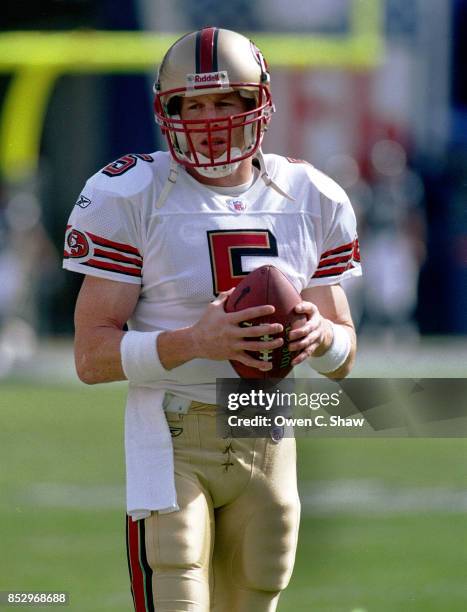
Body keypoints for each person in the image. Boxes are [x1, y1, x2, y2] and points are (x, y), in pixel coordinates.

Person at [63, 27, 361, 612]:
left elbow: (346, 357)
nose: (211, 119)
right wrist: (194, 340)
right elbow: (90, 357)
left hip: (267, 433)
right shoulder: (131, 192)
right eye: (193, 104)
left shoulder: (310, 193)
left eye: (226, 100)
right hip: (173, 433)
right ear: (166, 111)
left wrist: (318, 336)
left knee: (258, 591)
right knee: (176, 585)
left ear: (258, 104)